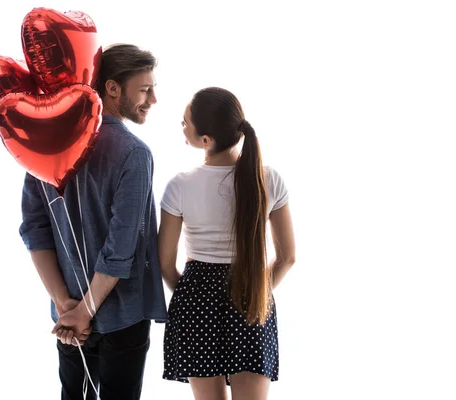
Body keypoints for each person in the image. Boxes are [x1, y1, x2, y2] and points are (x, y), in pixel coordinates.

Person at [19, 43, 168, 400]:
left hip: (69, 316)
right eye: (146, 89)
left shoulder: (49, 143)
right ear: (113, 88)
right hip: (117, 315)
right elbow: (121, 247)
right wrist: (84, 311)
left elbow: (34, 229)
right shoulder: (133, 152)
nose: (153, 99)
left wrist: (66, 305)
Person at [158, 87, 296, 400]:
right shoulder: (269, 179)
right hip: (251, 295)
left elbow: (165, 263)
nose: (182, 126)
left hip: (197, 300)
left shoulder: (180, 185)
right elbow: (287, 257)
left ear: (206, 140)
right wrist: (258, 291)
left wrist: (192, 298)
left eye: (185, 123)